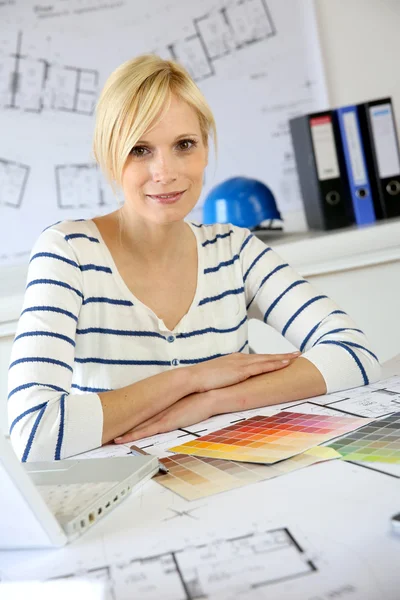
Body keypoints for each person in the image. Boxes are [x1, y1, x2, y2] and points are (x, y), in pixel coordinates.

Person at [8, 55, 381, 463]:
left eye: (184, 145)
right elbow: (34, 430)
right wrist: (190, 379)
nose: (164, 172)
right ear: (110, 158)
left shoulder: (235, 250)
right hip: (130, 505)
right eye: (140, 150)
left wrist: (214, 400)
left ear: (205, 148)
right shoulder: (68, 252)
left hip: (238, 478)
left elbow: (355, 355)